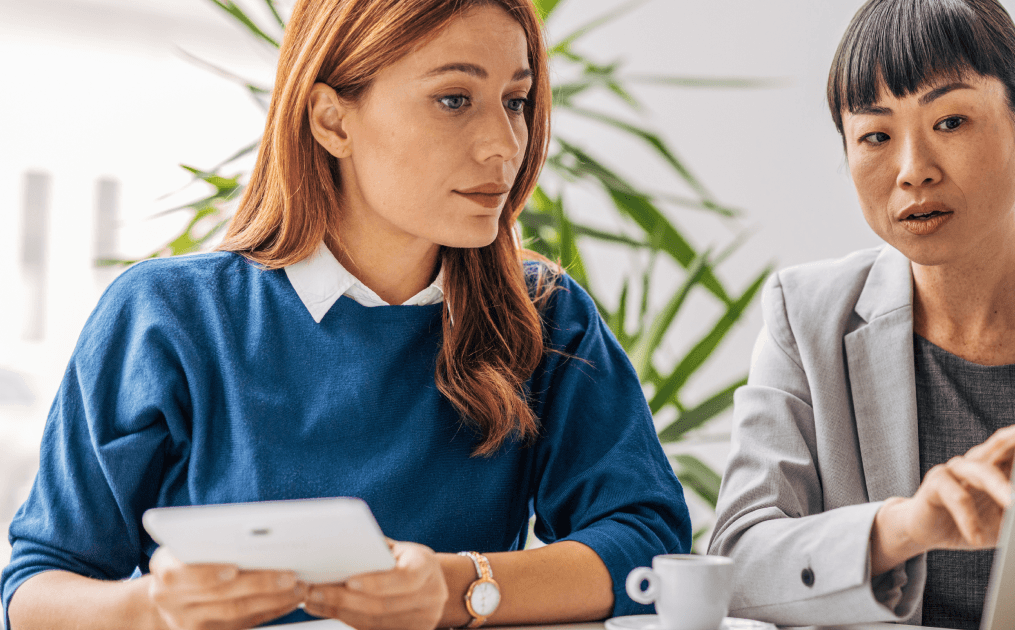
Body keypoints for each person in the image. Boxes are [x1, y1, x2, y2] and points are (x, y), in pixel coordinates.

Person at [1, 1, 690, 628]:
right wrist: (152, 608)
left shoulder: (543, 314)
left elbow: (647, 544)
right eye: (454, 99)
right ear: (332, 119)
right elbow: (34, 591)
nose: (505, 146)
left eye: (515, 100)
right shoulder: (168, 315)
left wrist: (456, 588)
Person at [707, 0, 1015, 629]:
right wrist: (905, 528)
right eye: (876, 135)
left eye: (951, 121)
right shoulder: (805, 321)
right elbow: (737, 562)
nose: (913, 172)